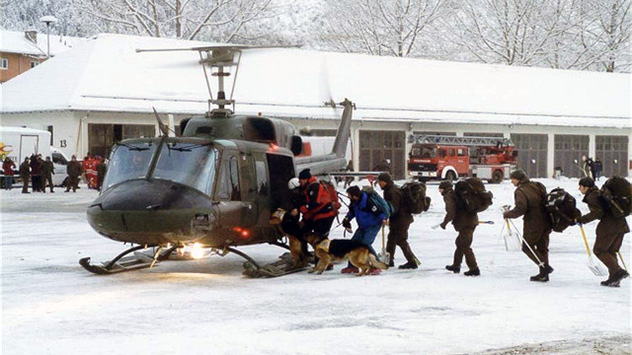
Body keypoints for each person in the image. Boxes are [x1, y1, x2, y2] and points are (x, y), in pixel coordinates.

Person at [577, 177, 629, 287]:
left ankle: (618, 271)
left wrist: (582, 219)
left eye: (580, 186)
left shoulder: (593, 196)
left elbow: (597, 213)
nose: (579, 188)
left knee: (599, 250)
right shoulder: (601, 193)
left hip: (609, 226)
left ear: (586, 187)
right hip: (621, 224)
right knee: (611, 251)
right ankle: (614, 278)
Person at [503, 169, 553, 282]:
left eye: (513, 179)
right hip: (547, 220)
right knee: (542, 247)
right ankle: (543, 274)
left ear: (519, 179)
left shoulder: (520, 191)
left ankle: (544, 268)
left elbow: (521, 208)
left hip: (533, 222)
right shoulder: (537, 185)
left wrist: (508, 214)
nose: (511, 181)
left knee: (527, 247)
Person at [341, 185, 388, 275]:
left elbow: (377, 212)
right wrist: (346, 219)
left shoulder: (368, 201)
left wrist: (383, 219)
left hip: (373, 225)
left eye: (349, 195)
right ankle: (352, 266)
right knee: (353, 243)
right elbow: (351, 212)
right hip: (362, 226)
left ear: (354, 195)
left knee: (366, 244)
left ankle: (376, 266)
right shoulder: (354, 202)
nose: (348, 197)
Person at [377, 172, 418, 269]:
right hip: (397, 219)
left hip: (401, 219)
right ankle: (389, 260)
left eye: (380, 181)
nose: (379, 183)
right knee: (391, 239)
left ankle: (412, 262)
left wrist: (386, 215)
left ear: (385, 181)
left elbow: (393, 207)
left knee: (401, 240)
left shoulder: (392, 191)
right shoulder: (389, 189)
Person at [439, 180, 480, 276]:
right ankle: (456, 265)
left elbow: (451, 212)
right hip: (471, 221)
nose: (440, 192)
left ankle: (474, 269)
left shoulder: (449, 196)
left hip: (465, 223)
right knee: (459, 243)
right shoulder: (457, 194)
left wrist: (444, 223)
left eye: (440, 189)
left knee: (465, 246)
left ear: (444, 189)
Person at [297, 169, 337, 244]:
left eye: (300, 180)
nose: (300, 182)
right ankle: (304, 252)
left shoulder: (315, 187)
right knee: (305, 232)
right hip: (318, 215)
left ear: (305, 179)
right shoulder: (308, 187)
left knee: (319, 238)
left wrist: (304, 209)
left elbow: (314, 204)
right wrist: (304, 220)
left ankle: (323, 253)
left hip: (326, 214)